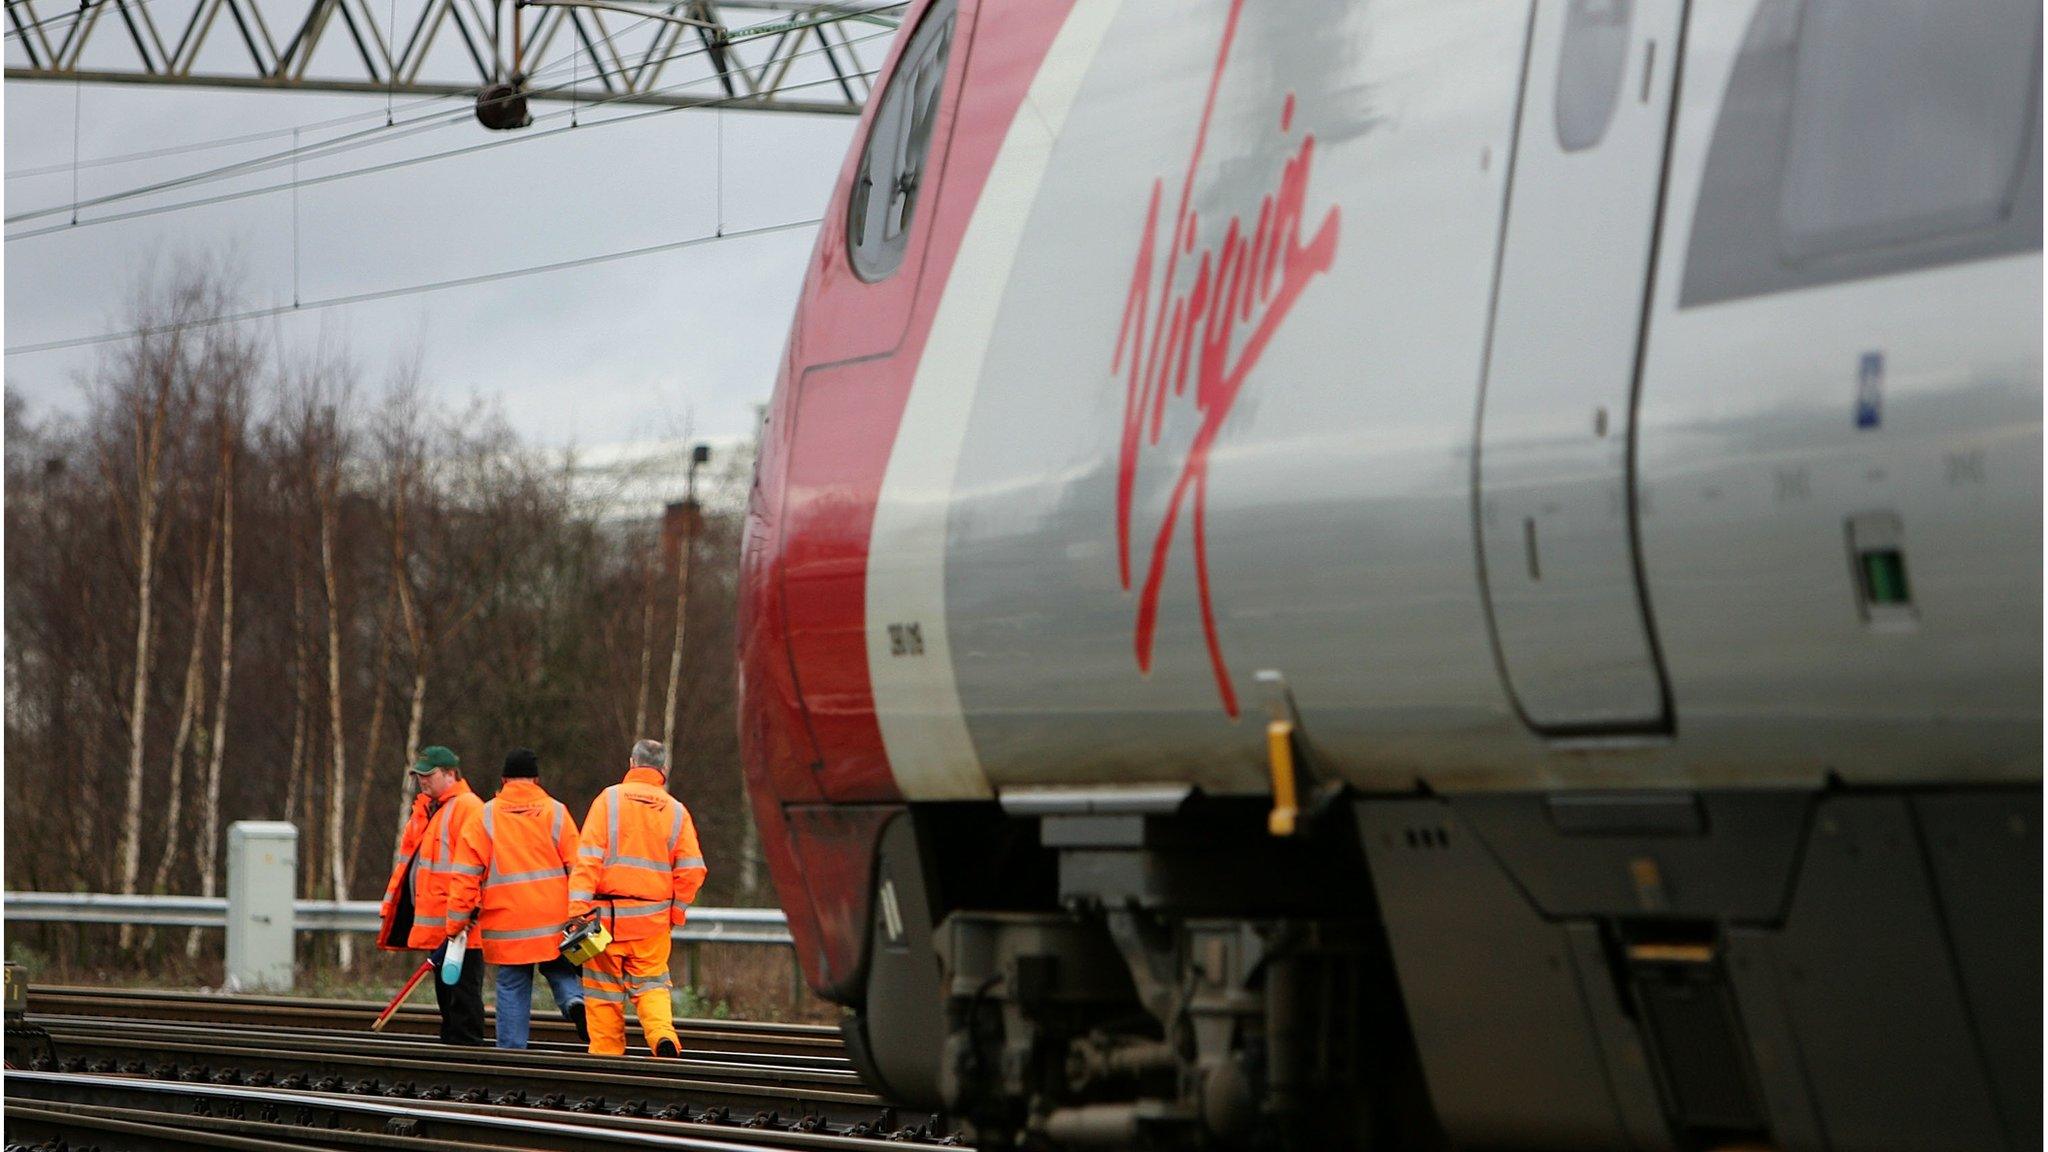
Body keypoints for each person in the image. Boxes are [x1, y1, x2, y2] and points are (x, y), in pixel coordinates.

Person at [567, 738, 708, 1057]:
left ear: (632, 763)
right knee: (653, 985)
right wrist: (676, 913)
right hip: (652, 922)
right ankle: (661, 1036)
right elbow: (693, 869)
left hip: (605, 921)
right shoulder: (676, 811)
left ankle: (606, 1056)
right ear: (664, 769)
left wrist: (578, 909)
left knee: (603, 994)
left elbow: (587, 859)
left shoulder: (608, 800)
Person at [445, 748, 588, 1048]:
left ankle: (511, 1054)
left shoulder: (483, 817)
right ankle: (574, 1002)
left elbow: (464, 877)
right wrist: (581, 913)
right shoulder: (556, 812)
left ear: (503, 779)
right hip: (554, 920)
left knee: (512, 984)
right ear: (536, 779)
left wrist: (456, 922)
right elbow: (579, 868)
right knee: (558, 967)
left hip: (507, 924)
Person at [377, 745, 487, 1045]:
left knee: (462, 995)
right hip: (441, 923)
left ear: (450, 774)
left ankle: (466, 1052)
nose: (422, 781)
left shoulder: (468, 808)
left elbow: (478, 867)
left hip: (462, 926)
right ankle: (454, 1049)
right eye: (419, 776)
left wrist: (465, 915)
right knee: (448, 995)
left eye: (429, 775)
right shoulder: (428, 810)